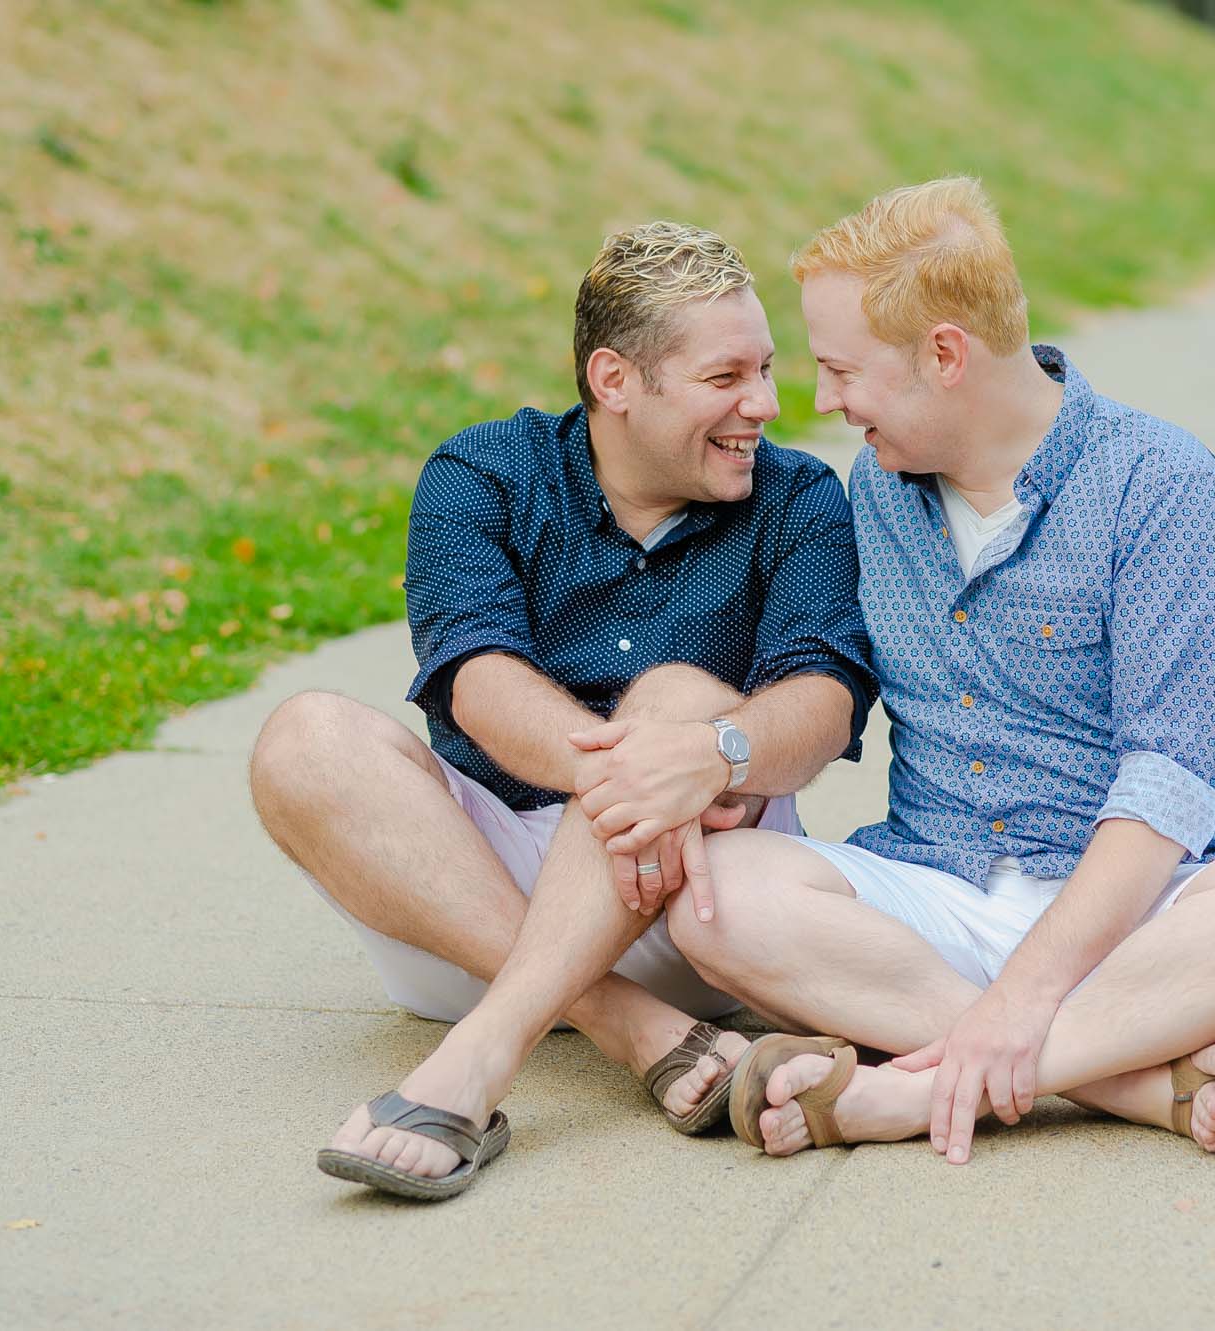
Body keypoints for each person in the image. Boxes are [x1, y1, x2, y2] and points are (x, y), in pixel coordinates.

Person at [666, 178, 1215, 1163]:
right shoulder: (875, 484)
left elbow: (1172, 778)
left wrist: (1029, 987)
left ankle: (901, 1095)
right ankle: (1120, 1076)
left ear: (943, 355)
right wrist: (722, 769)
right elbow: (819, 678)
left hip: (1137, 912)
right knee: (714, 892)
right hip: (934, 892)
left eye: (840, 369)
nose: (821, 401)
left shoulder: (1158, 484)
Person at [248, 221, 876, 1199]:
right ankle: (631, 1027)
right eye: (726, 378)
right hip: (461, 908)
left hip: (697, 901)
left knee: (675, 698)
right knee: (303, 733)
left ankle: (477, 1061)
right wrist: (619, 774)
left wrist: (703, 753)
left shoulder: (798, 498)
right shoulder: (482, 475)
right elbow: (474, 675)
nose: (765, 404)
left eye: (765, 369)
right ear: (615, 379)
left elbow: (825, 702)